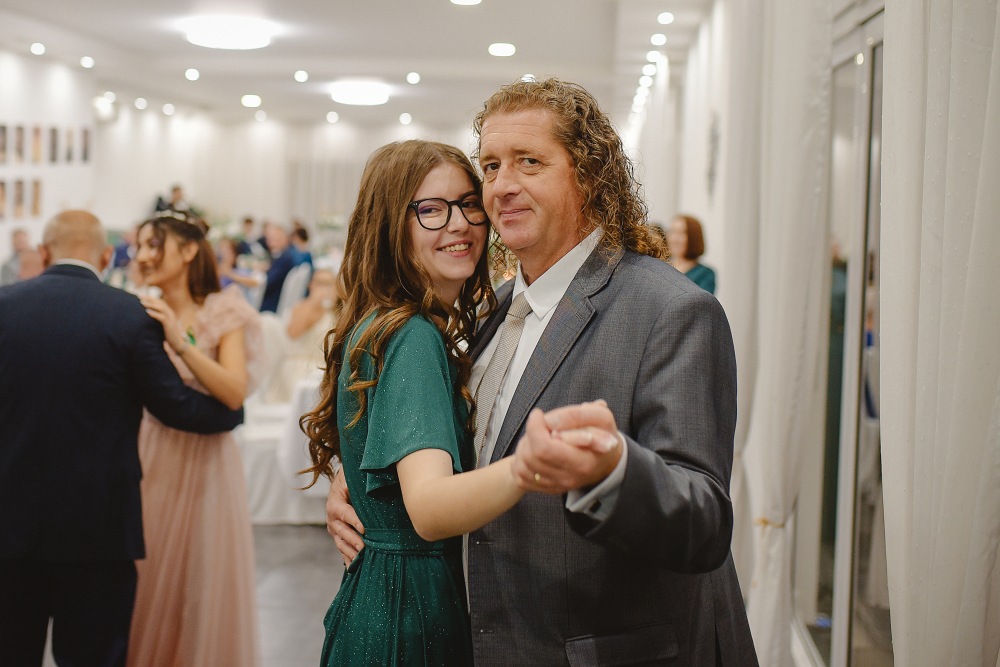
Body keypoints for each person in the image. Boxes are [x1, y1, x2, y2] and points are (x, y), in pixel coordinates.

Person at [327, 79, 758, 665]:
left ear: (589, 176)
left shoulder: (671, 310)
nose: (502, 185)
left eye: (529, 162)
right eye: (491, 166)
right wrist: (363, 488)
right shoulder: (494, 312)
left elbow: (704, 521)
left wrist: (614, 470)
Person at [300, 139, 528, 666]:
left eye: (468, 204)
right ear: (389, 226)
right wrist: (532, 466)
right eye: (430, 210)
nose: (459, 224)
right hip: (409, 609)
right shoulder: (414, 336)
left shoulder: (385, 322)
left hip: (383, 593)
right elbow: (429, 509)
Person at [0, 210, 244, 667]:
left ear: (44, 252)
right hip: (99, 530)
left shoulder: (4, 305)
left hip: (9, 524)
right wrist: (231, 413)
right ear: (107, 255)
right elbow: (175, 405)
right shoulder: (129, 314)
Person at [126, 210, 263, 666]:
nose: (142, 256)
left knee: (201, 578)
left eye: (153, 244)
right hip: (152, 452)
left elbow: (234, 390)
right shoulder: (139, 310)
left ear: (188, 251)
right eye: (139, 246)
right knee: (147, 573)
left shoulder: (223, 310)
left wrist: (181, 341)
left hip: (207, 459)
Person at [262, 264, 339, 404]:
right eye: (320, 283)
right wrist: (313, 303)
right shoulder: (302, 307)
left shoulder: (336, 313)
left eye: (328, 284)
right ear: (311, 285)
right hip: (298, 369)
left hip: (323, 370)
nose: (324, 288)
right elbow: (293, 333)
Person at [666, 213, 717, 294]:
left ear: (693, 238)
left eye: (681, 233)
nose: (674, 239)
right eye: (672, 232)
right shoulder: (661, 266)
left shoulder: (705, 274)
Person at [258, 222, 297, 313]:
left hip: (271, 304)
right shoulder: (285, 255)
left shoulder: (284, 259)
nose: (269, 243)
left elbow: (267, 282)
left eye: (273, 239)